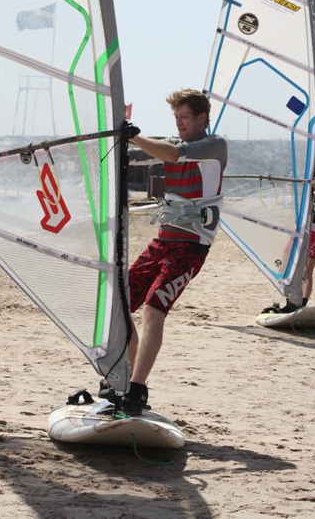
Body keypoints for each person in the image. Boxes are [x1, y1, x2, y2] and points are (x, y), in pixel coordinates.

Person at [116, 89, 227, 415]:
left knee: (153, 309)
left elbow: (174, 154)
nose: (179, 123)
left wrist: (134, 135)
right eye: (175, 118)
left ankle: (136, 391)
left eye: (185, 118)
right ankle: (124, 379)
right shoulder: (169, 145)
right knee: (119, 304)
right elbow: (135, 156)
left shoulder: (214, 146)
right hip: (162, 243)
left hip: (191, 247)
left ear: (202, 118)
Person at [262, 163, 315, 314]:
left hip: (314, 236)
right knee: (284, 266)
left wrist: (309, 182)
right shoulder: (309, 194)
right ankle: (290, 301)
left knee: (307, 272)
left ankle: (302, 305)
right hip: (297, 233)